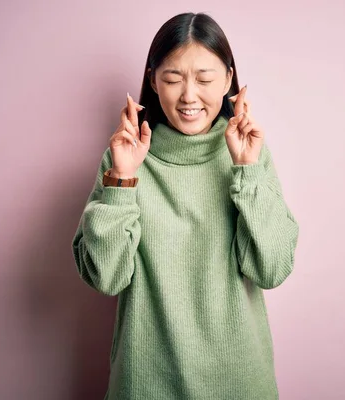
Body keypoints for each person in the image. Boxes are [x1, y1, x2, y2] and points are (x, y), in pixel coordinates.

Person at [72, 11, 300, 400]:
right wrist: (123, 181)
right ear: (152, 80)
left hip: (240, 383)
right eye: (173, 79)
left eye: (206, 79)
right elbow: (105, 278)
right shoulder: (124, 158)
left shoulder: (249, 156)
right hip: (144, 384)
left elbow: (273, 268)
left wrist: (247, 170)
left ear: (229, 79)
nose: (189, 96)